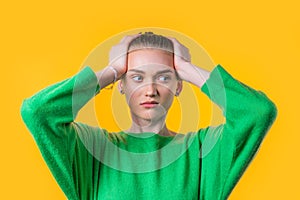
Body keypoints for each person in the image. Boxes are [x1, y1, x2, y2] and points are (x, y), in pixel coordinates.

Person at [21, 32, 277, 200]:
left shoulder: (201, 152)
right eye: (137, 77)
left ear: (179, 86)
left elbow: (258, 112)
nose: (150, 90)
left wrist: (187, 69)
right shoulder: (93, 150)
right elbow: (37, 112)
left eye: (164, 77)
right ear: (121, 85)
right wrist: (111, 70)